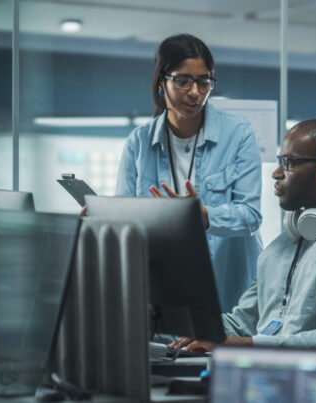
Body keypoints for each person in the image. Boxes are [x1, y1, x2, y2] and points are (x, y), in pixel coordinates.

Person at [172, 119, 316, 352]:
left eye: (288, 163)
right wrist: (177, 327)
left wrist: (244, 344)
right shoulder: (281, 246)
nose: (276, 173)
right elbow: (241, 325)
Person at [115, 34, 262, 312]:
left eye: (204, 82)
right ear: (161, 82)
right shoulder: (138, 143)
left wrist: (204, 216)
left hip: (228, 294)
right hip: (163, 292)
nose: (195, 92)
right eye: (183, 81)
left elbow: (251, 217)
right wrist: (101, 221)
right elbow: (126, 219)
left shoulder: (239, 134)